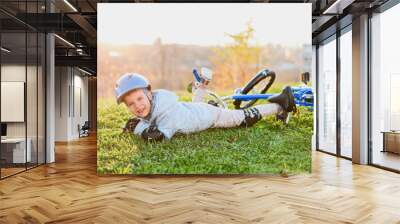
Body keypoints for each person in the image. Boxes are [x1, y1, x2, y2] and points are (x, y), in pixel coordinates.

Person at [116, 73, 296, 141]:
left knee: (242, 117)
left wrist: (138, 128)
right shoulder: (154, 105)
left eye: (139, 99)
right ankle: (201, 87)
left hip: (209, 117)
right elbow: (146, 122)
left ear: (149, 93)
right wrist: (136, 124)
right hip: (192, 112)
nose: (137, 106)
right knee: (196, 107)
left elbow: (157, 137)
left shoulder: (166, 114)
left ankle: (282, 104)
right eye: (131, 104)